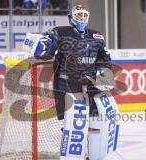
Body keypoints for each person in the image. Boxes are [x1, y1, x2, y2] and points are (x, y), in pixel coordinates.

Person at [23, 4, 120, 159]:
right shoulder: (59, 32)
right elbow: (46, 51)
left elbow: (105, 59)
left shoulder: (97, 36)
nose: (82, 18)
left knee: (98, 119)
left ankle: (94, 153)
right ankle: (72, 155)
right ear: (71, 17)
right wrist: (41, 46)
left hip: (91, 85)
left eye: (84, 15)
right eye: (78, 15)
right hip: (66, 84)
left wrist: (103, 72)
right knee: (74, 123)